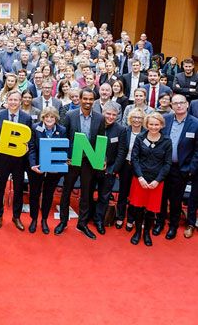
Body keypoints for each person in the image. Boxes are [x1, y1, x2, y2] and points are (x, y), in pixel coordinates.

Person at [55, 89, 105, 239]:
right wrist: (65, 157)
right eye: (85, 99)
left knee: (86, 193)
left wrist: (100, 159)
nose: (88, 102)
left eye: (91, 99)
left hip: (89, 161)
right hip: (72, 160)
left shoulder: (100, 118)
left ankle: (82, 223)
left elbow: (101, 140)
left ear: (94, 100)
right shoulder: (70, 115)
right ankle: (63, 221)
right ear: (80, 99)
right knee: (66, 191)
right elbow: (64, 137)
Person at [154, 94, 198, 239]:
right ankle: (159, 222)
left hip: (181, 169)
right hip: (163, 167)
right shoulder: (165, 120)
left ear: (187, 105)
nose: (178, 105)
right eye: (175, 103)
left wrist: (190, 169)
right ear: (171, 105)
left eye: (181, 103)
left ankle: (173, 225)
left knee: (176, 200)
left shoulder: (195, 123)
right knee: (161, 197)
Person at [0, 90, 33, 231]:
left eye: (16, 100)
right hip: (2, 158)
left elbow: (29, 137)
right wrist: (0, 143)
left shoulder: (26, 117)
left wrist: (26, 146)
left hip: (19, 159)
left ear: (20, 101)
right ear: (7, 101)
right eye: (11, 100)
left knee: (19, 188)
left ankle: (16, 216)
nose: (13, 102)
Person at [129, 112, 172, 246]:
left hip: (156, 181)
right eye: (151, 124)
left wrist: (157, 180)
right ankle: (137, 232)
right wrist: (140, 177)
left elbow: (167, 163)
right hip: (140, 179)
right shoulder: (140, 138)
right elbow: (134, 158)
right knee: (138, 208)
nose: (154, 127)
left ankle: (147, 233)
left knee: (150, 210)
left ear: (161, 125)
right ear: (147, 124)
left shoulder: (166, 141)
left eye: (156, 124)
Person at [28, 107, 67, 234]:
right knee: (34, 193)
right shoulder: (35, 128)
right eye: (46, 117)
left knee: (48, 194)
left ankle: (44, 219)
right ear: (42, 118)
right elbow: (32, 148)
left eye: (52, 117)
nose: (49, 119)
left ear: (56, 118)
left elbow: (63, 150)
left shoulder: (62, 130)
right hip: (37, 167)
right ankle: (34, 219)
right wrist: (33, 165)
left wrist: (57, 166)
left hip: (53, 170)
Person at [92, 103, 127, 235]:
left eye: (114, 115)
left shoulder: (121, 130)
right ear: (103, 112)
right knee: (88, 193)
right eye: (108, 114)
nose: (111, 117)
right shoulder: (95, 125)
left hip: (109, 170)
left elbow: (122, 151)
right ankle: (88, 216)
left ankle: (99, 220)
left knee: (104, 196)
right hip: (92, 167)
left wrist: (113, 170)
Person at [115, 108, 145, 231]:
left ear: (143, 120)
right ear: (130, 119)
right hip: (125, 166)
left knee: (135, 194)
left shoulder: (146, 133)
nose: (137, 120)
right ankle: (120, 216)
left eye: (139, 118)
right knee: (123, 192)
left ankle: (131, 219)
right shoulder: (124, 131)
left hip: (139, 168)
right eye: (134, 117)